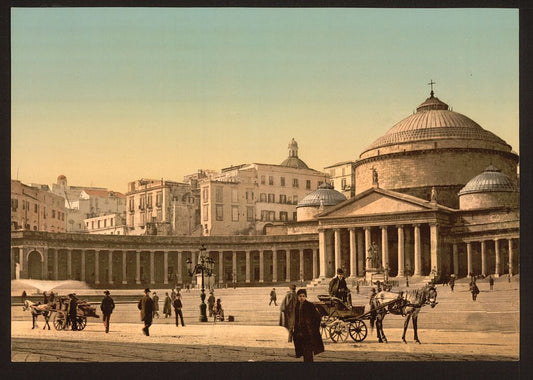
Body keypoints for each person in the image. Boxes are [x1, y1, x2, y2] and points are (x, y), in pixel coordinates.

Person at [292, 288, 324, 362]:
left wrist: (313, 328)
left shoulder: (310, 305)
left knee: (308, 351)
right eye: (300, 296)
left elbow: (317, 318)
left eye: (303, 296)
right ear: (297, 297)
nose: (302, 298)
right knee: (302, 350)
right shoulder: (297, 305)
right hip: (299, 332)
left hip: (308, 332)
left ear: (305, 297)